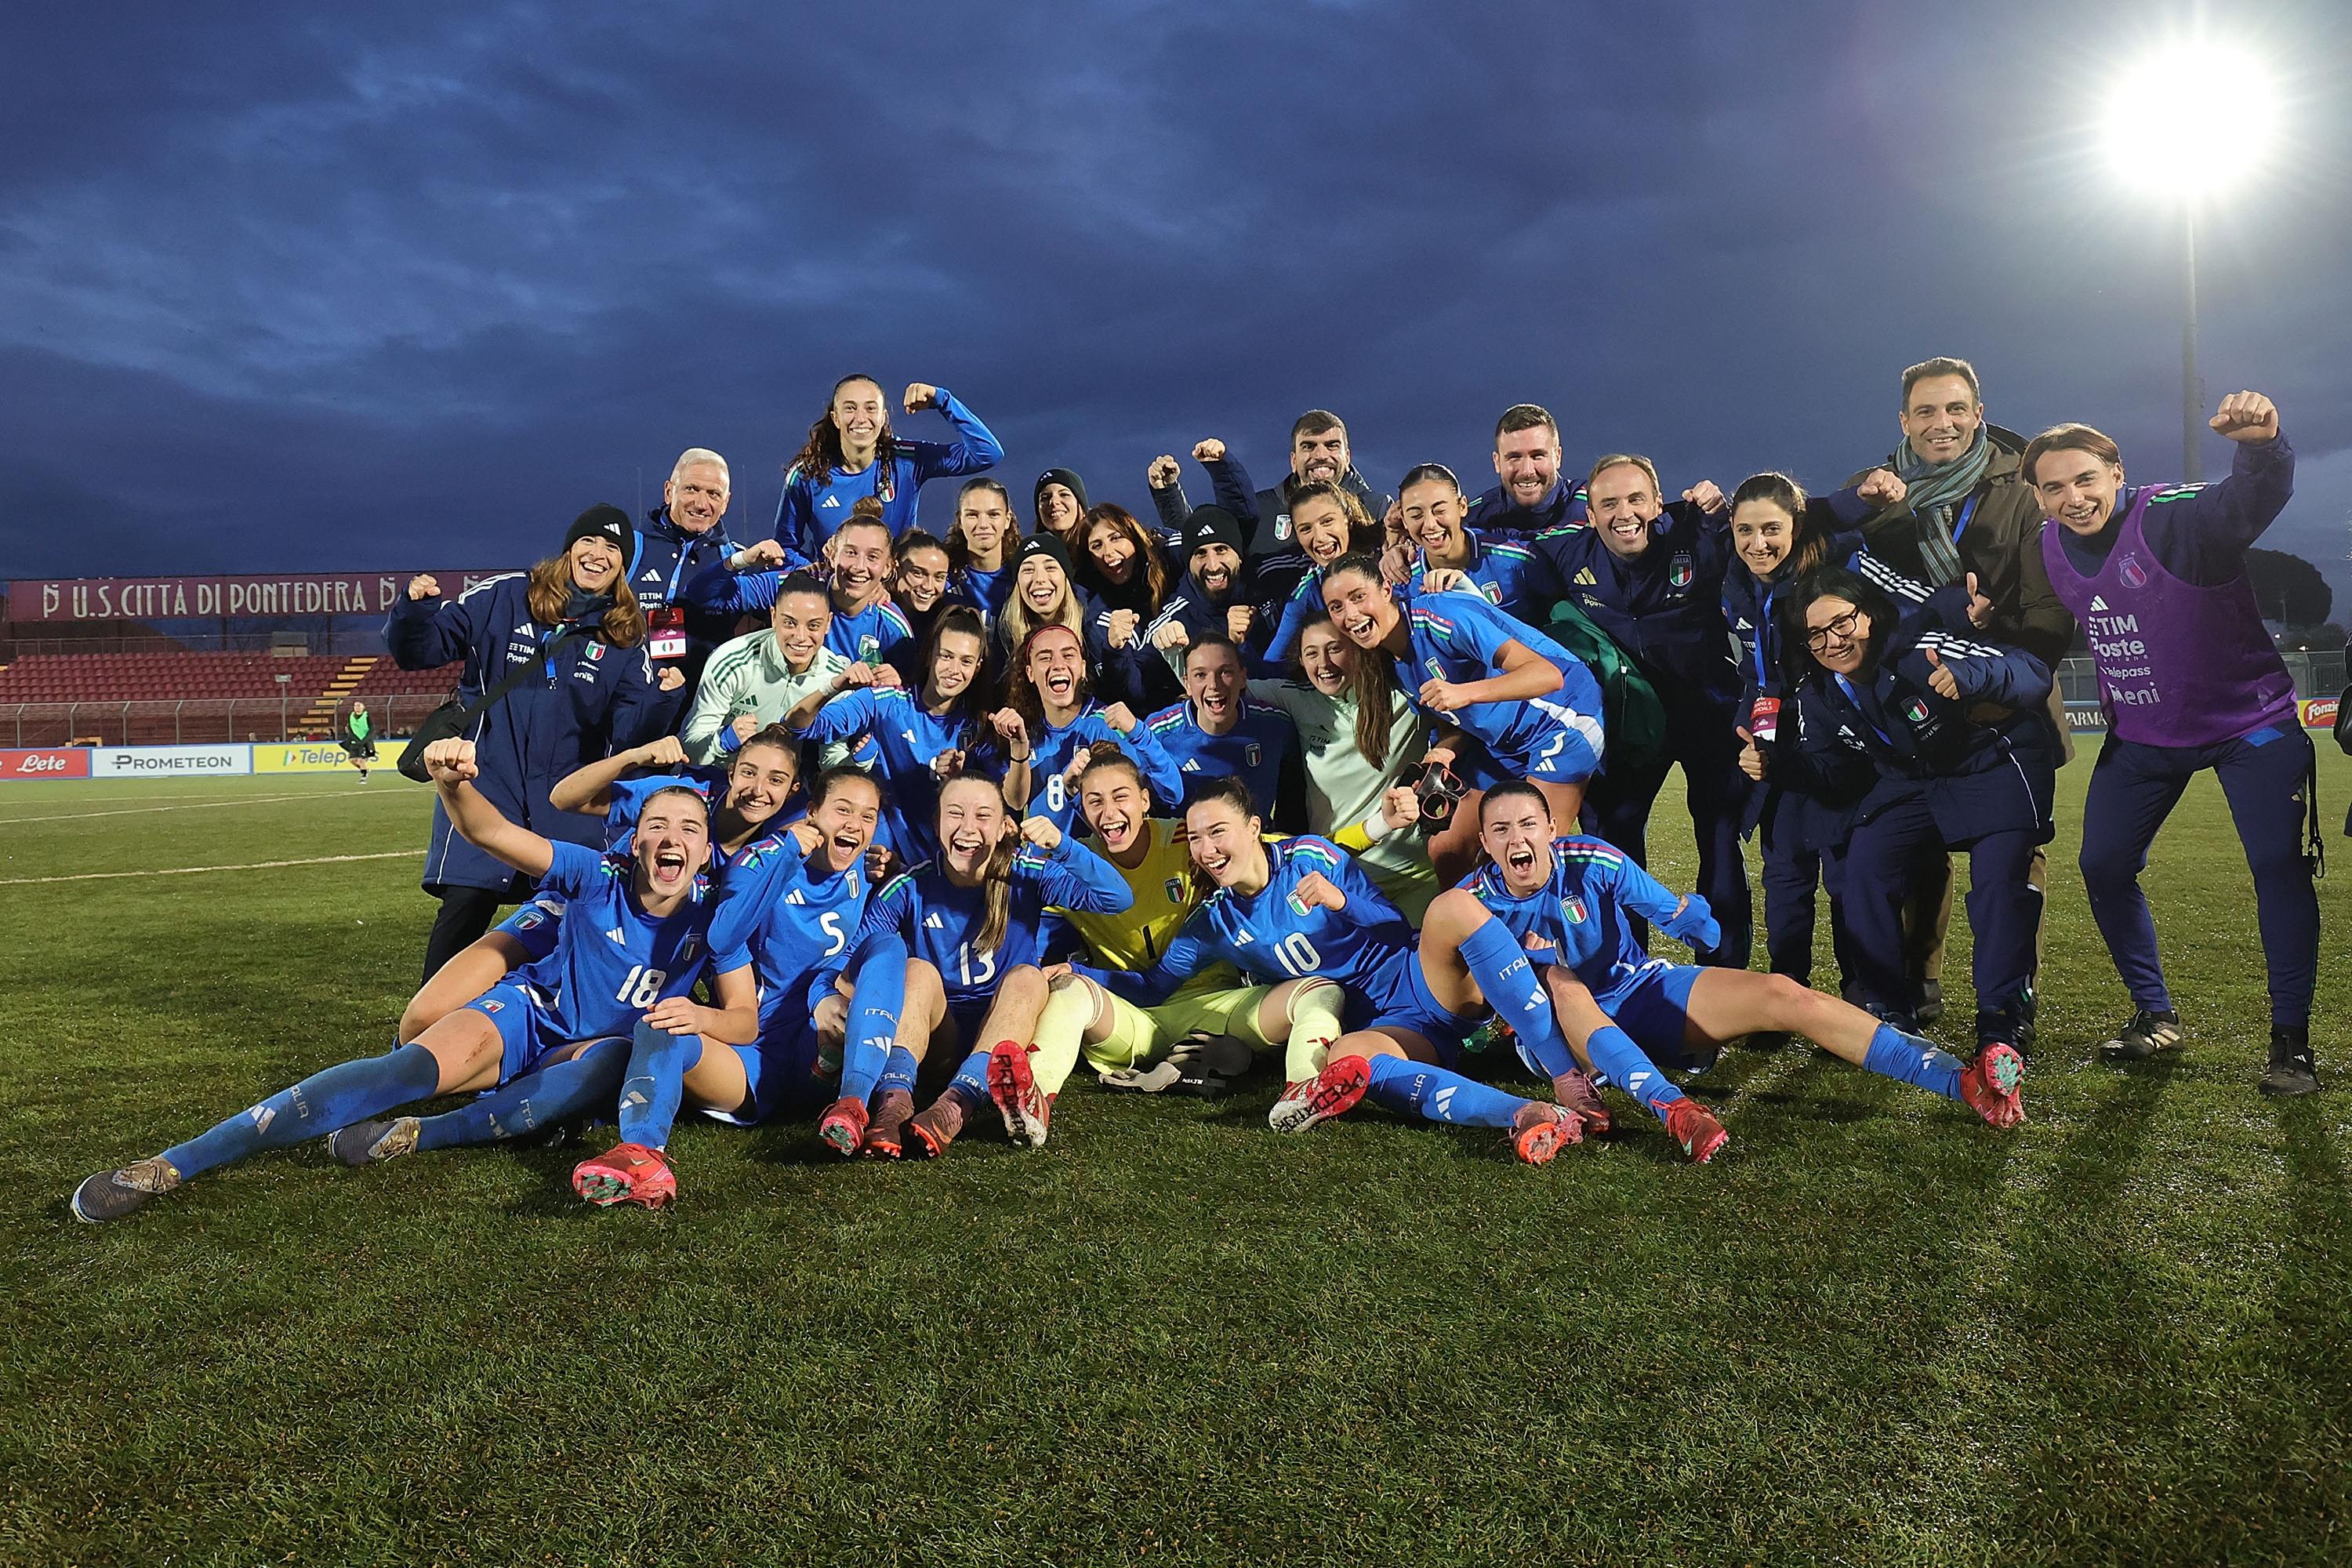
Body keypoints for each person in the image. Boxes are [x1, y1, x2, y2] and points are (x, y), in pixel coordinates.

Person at [71, 739, 757, 1221]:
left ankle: (421, 1135)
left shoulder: (719, 911)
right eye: (657, 824)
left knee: (607, 1058)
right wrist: (453, 782)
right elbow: (492, 833)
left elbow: (743, 1010)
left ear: (705, 846)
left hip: (593, 1051)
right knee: (407, 1060)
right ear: (633, 839)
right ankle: (175, 1162)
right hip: (530, 1014)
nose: (673, 836)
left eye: (690, 827)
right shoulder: (590, 874)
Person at [1463, 782, 2026, 1164]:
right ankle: (1678, 1111)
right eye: (1502, 830)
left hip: (1635, 991)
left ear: (1552, 828)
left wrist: (1693, 922)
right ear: (1485, 843)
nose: (1518, 840)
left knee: (1784, 993)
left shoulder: (1594, 859)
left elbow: (1680, 919)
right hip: (1558, 1037)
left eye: (1529, 824)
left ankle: (1962, 1082)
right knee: (1563, 980)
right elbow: (1469, 998)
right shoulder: (1470, 903)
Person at [2028, 390, 2320, 1095]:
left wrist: (2260, 445)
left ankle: (2291, 1043)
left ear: (2117, 473)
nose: (2073, 498)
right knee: (2102, 865)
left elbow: (2249, 499)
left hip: (2250, 725)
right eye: (2055, 487)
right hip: (2145, 735)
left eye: (2086, 479)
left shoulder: (2173, 515)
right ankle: (2154, 1015)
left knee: (2277, 865)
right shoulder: (2047, 545)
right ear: (2038, 497)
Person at [1069, 778, 1581, 1163]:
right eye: (1196, 838)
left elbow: (1390, 927)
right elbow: (1155, 985)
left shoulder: (1310, 856)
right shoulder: (1214, 923)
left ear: (1253, 827)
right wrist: (1077, 975)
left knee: (1450, 909)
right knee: (1346, 1060)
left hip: (1421, 983)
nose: (1207, 849)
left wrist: (1343, 902)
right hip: (1387, 1030)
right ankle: (1524, 1115)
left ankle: (1565, 1074)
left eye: (1218, 832)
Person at [1848, 357, 2079, 1023]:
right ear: (1903, 421)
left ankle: (2011, 1001)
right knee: (1917, 847)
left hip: (2011, 700)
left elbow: (2050, 615)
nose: (1940, 424)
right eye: (1925, 412)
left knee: (2008, 857)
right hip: (1914, 705)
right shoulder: (1874, 493)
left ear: (1979, 413)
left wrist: (1987, 647)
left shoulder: (2024, 486)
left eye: (1955, 409)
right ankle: (1918, 988)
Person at [1748, 568, 2056, 1061]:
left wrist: (1969, 675)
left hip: (1991, 763)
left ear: (1868, 615)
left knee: (2001, 881)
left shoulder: (1922, 645)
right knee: (1864, 869)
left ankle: (2002, 1020)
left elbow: (2032, 671)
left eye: (1843, 623)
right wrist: (1779, 766)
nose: (1833, 641)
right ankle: (1888, 1010)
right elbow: (1835, 773)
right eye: (1817, 634)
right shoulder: (1821, 692)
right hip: (1914, 779)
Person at [385, 504, 681, 982]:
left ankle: (550, 1040)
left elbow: (630, 736)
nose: (599, 555)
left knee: (568, 936)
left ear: (623, 565)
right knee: (463, 916)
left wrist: (666, 699)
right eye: (590, 542)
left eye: (613, 549)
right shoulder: (504, 597)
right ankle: (425, 1037)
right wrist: (414, 610)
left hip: (564, 811)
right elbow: (419, 650)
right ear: (570, 548)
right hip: (486, 788)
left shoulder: (626, 637)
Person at [818, 773, 1134, 1157]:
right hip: (935, 1038)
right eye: (955, 814)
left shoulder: (1027, 873)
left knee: (1029, 977)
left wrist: (1063, 846)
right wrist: (823, 1000)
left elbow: (1117, 898)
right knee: (916, 970)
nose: (968, 828)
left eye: (983, 816)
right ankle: (893, 1104)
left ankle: (954, 1106)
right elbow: (852, 957)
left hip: (1003, 1034)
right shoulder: (910, 885)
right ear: (936, 824)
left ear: (1004, 828)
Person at [985, 746, 1273, 1147]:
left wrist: (1371, 831)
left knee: (1311, 995)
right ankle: (1033, 1100)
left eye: (1120, 797)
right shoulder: (1075, 865)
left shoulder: (1187, 839)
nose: (1108, 813)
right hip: (1130, 1017)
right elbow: (1025, 910)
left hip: (1214, 1006)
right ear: (1082, 810)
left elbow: (1272, 853)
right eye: (1094, 801)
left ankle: (1303, 1088)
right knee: (1069, 991)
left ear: (1144, 799)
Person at [1533, 455, 1751, 966]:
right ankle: (1625, 970)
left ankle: (1724, 976)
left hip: (1707, 715)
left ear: (1657, 503)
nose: (1623, 513)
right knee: (1613, 847)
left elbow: (1778, 524)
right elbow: (1489, 549)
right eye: (1608, 503)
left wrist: (1722, 513)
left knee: (1719, 841)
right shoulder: (1565, 554)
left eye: (1635, 499)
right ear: (1589, 513)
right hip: (1631, 727)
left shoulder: (1698, 534)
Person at [1723, 468, 1935, 997]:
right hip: (1771, 735)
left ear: (1797, 524)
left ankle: (1859, 994)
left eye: (1771, 528)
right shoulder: (1733, 577)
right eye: (1745, 530)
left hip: (1836, 736)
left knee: (1845, 876)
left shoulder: (1837, 564)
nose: (1757, 543)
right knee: (1785, 875)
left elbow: (1900, 616)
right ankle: (1786, 994)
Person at [1319, 554, 1602, 883]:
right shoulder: (1388, 662)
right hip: (1502, 744)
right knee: (1448, 848)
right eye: (1336, 607)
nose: (1350, 615)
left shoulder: (1441, 615)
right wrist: (1445, 750)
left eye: (1358, 597)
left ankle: (1553, 930)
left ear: (1385, 589)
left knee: (1527, 855)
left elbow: (1548, 676)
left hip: (1562, 719)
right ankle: (1472, 929)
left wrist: (1465, 692)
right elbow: (1451, 721)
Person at [1245, 611, 1437, 916]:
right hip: (1339, 877)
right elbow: (1222, 691)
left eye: (1334, 649)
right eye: (1312, 653)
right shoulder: (1295, 698)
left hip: (1414, 875)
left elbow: (1462, 719)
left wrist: (1444, 752)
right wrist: (1174, 652)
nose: (1324, 663)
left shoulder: (1403, 694)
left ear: (1357, 649)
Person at [795, 604, 1008, 862]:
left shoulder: (979, 725)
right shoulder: (887, 702)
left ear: (977, 668)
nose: (954, 670)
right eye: (946, 656)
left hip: (942, 861)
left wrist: (957, 782)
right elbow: (803, 726)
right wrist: (835, 685)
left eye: (966, 661)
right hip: (877, 851)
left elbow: (1007, 798)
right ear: (930, 655)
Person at [1146, 416, 1391, 626]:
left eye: (1331, 445)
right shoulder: (1263, 509)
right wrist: (1169, 495)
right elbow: (1206, 539)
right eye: (1309, 446)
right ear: (1293, 460)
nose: (1320, 455)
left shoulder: (1378, 509)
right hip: (1284, 646)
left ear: (1347, 455)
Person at [774, 376, 1002, 561]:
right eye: (850, 408)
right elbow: (785, 548)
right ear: (835, 418)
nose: (861, 418)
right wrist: (817, 571)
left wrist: (942, 400)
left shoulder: (906, 460)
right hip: (836, 597)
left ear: (883, 417)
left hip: (899, 596)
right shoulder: (807, 475)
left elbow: (987, 453)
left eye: (870, 408)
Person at [992, 622, 1184, 834]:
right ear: (1030, 673)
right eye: (1045, 657)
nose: (1058, 665)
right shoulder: (1025, 729)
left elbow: (1171, 793)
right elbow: (1016, 803)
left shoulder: (1106, 725)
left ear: (1083, 668)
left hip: (1094, 860)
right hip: (1043, 860)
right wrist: (1019, 749)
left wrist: (1139, 733)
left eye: (1068, 655)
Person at [688, 498, 912, 669]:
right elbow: (704, 596)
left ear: (888, 568)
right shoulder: (796, 585)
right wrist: (742, 559)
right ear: (832, 555)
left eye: (873, 557)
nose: (859, 567)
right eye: (850, 553)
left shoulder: (893, 627)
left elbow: (906, 699)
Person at [677, 572, 871, 766]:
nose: (801, 637)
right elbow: (689, 750)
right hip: (718, 775)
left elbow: (830, 759)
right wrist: (723, 741)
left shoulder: (835, 678)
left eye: (813, 626)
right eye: (789, 623)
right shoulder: (731, 661)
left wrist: (857, 762)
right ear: (773, 617)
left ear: (828, 623)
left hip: (782, 783)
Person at [1145, 632, 1304, 825]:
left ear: (1243, 677)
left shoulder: (1274, 723)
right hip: (1183, 849)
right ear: (1187, 683)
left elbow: (1296, 787)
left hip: (1255, 845)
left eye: (1225, 672)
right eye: (1200, 675)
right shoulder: (1158, 732)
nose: (1214, 685)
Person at [630, 448, 748, 687]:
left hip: (700, 707)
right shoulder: (628, 549)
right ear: (669, 491)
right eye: (691, 489)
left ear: (725, 503)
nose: (702, 504)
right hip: (628, 703)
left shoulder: (738, 560)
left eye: (714, 494)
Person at [995, 533, 1149, 710]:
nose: (1040, 579)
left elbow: (1134, 698)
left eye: (1050, 568)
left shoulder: (1097, 627)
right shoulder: (1007, 632)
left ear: (1066, 578)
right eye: (1028, 570)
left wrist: (1115, 652)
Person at [1394, 463, 1558, 621]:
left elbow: (1562, 611)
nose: (1430, 524)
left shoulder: (1519, 559)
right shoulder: (1402, 583)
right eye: (1416, 515)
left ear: (1462, 507)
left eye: (1440, 511)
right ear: (1404, 520)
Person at [1142, 506, 1270, 699]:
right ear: (1188, 562)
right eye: (1201, 553)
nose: (1213, 565)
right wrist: (1159, 645)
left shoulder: (1269, 583)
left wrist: (1243, 647)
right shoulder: (1175, 617)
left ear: (1239, 556)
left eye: (1221, 550)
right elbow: (1135, 690)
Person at [1260, 480, 1384, 668]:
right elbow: (1272, 664)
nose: (1320, 538)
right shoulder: (1306, 593)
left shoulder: (1389, 560)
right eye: (1306, 529)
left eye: (1327, 522)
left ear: (1347, 519)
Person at [1465, 405, 1581, 537]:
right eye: (1515, 457)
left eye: (1537, 456)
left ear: (1558, 457)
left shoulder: (1594, 507)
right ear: (1497, 462)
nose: (1527, 471)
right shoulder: (1472, 522)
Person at [1075, 503, 1172, 636]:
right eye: (1097, 546)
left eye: (1115, 538)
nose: (1108, 551)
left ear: (1133, 536)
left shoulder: (1170, 556)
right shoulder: (1094, 605)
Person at [884, 530, 956, 686]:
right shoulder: (876, 606)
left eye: (939, 577)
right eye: (918, 573)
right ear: (896, 568)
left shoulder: (945, 621)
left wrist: (904, 682)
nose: (928, 587)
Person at [945, 477, 1021, 624]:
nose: (983, 524)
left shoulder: (1022, 577)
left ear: (1007, 520)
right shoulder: (943, 578)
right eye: (972, 515)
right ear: (960, 520)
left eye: (993, 515)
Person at [1033, 467, 1090, 550]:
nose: (1053, 502)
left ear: (1080, 505)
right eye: (1045, 497)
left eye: (1064, 495)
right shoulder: (1032, 556)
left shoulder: (1097, 551)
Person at [339, 701, 377, 780]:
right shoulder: (351, 716)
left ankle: (363, 777)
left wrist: (366, 739)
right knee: (352, 760)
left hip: (365, 741)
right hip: (355, 741)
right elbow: (350, 729)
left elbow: (372, 728)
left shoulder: (366, 715)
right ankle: (364, 770)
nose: (357, 707)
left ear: (363, 707)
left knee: (361, 760)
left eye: (359, 705)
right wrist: (354, 738)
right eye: (355, 705)